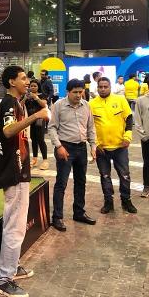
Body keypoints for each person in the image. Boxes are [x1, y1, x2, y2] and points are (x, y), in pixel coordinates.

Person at [0, 66, 49, 297]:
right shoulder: (7, 103)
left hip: (21, 168)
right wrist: (36, 116)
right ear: (11, 81)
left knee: (17, 220)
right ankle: (4, 278)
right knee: (14, 224)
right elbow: (7, 132)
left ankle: (11, 265)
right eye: (23, 78)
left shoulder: (18, 103)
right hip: (13, 170)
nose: (28, 81)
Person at [48, 79, 97, 232]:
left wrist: (93, 146)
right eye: (75, 92)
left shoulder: (87, 105)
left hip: (81, 148)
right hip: (65, 148)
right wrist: (59, 146)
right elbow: (52, 128)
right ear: (67, 92)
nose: (78, 95)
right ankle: (57, 217)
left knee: (81, 182)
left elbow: (91, 127)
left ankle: (79, 212)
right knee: (61, 183)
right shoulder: (58, 106)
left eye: (80, 92)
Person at [89, 77, 137, 214]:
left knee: (124, 175)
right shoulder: (91, 104)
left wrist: (127, 136)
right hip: (101, 148)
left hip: (120, 147)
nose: (103, 89)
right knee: (105, 175)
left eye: (106, 86)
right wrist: (95, 144)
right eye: (101, 87)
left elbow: (129, 118)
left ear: (110, 87)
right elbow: (89, 126)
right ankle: (108, 202)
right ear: (97, 88)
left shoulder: (120, 100)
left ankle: (126, 200)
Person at [24, 79, 48, 170]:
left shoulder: (42, 95)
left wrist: (36, 98)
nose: (33, 87)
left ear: (38, 87)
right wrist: (26, 98)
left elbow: (44, 105)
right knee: (33, 139)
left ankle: (45, 160)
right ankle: (34, 159)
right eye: (31, 86)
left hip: (40, 120)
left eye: (35, 86)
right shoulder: (27, 96)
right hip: (31, 120)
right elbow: (21, 105)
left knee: (41, 139)